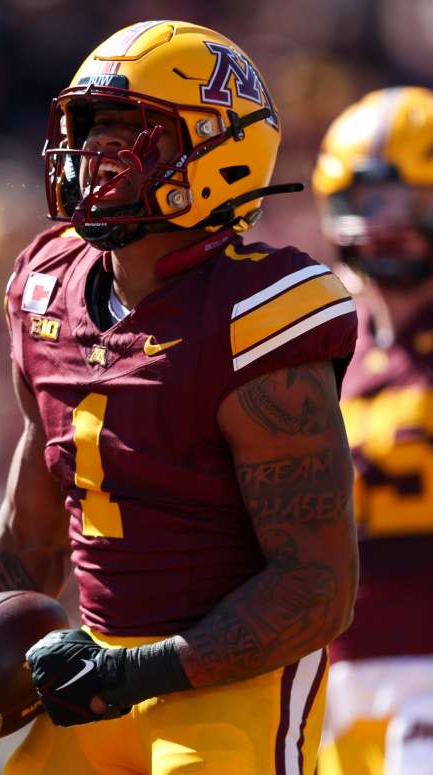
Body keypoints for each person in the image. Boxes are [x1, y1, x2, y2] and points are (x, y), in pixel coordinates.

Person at [0, 20, 359, 774]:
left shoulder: (259, 313)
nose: (98, 158)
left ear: (219, 154)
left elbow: (316, 588)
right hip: (92, 679)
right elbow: (26, 536)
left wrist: (136, 673)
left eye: (135, 134)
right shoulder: (47, 289)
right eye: (92, 129)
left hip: (229, 683)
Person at [313, 87, 433, 775]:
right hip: (335, 677)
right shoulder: (317, 341)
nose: (383, 228)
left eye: (407, 204)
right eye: (363, 204)